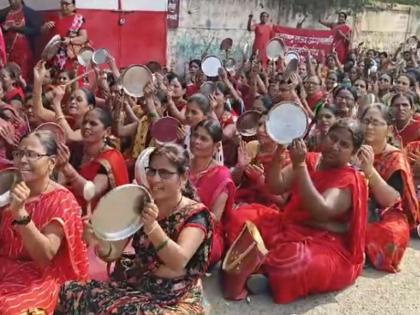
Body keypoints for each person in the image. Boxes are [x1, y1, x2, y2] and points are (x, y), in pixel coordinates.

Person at [56, 144, 213, 314]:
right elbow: (112, 254)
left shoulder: (196, 215)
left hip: (173, 297)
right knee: (68, 291)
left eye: (164, 173)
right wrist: (97, 239)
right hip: (139, 284)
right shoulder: (142, 202)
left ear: (183, 177)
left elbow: (178, 261)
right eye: (151, 171)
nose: (155, 179)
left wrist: (152, 227)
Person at [226, 119, 368, 304]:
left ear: (354, 153)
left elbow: (321, 210)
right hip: (289, 224)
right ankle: (260, 268)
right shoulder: (311, 159)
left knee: (295, 260)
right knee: (240, 218)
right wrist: (279, 152)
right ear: (325, 137)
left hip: (324, 242)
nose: (335, 146)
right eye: (333, 138)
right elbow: (275, 186)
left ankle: (260, 269)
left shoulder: (349, 179)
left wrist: (300, 166)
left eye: (344, 145)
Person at [0, 130, 88, 314]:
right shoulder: (10, 190)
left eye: (32, 154)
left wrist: (21, 214)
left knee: (7, 308)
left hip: (41, 274)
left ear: (52, 162)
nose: (23, 160)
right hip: (5, 266)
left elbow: (45, 254)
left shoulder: (61, 200)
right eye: (19, 154)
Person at [359, 104, 418, 272]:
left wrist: (369, 171)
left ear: (389, 129)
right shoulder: (352, 148)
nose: (369, 127)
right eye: (366, 121)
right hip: (353, 206)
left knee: (391, 234)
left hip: (385, 213)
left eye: (376, 123)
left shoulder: (395, 158)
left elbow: (391, 200)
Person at [56, 107, 129, 213]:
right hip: (69, 207)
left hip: (97, 218)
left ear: (107, 131)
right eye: (84, 122)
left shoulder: (110, 158)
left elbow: (92, 192)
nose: (86, 126)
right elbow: (61, 183)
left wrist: (67, 168)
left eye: (93, 124)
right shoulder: (75, 149)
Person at [189, 119, 235, 266]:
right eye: (195, 135)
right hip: (175, 220)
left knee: (195, 250)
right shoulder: (181, 165)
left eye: (203, 139)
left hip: (204, 230)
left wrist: (189, 208)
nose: (196, 141)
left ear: (216, 147)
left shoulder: (222, 176)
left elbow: (215, 218)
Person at [0, 0, 42, 79]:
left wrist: (17, 29)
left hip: (24, 53)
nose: (12, 2)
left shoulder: (30, 13)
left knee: (22, 76)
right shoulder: (4, 13)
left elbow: (36, 31)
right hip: (8, 52)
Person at [42, 0, 88, 71]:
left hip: (70, 57)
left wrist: (70, 40)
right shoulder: (53, 17)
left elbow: (84, 38)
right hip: (54, 57)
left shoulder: (78, 19)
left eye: (67, 4)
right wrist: (45, 27)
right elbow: (43, 34)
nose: (64, 6)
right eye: (62, 3)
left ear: (73, 6)